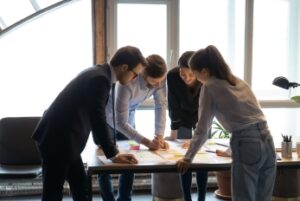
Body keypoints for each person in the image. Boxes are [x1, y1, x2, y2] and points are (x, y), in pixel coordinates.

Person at [32, 46, 147, 201]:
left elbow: (96, 115)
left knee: (81, 187)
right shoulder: (100, 79)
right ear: (124, 67)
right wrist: (113, 154)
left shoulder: (101, 74)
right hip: (57, 141)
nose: (135, 79)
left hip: (66, 141)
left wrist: (110, 147)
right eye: (135, 74)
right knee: (53, 194)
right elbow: (98, 118)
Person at [177, 45, 276, 201]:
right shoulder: (238, 81)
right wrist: (230, 150)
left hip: (247, 144)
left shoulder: (209, 87)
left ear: (204, 71)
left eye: (194, 74)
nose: (195, 78)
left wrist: (187, 158)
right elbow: (250, 119)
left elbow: (202, 128)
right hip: (268, 141)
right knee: (263, 198)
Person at [95, 54, 169, 201]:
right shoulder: (127, 82)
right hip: (107, 116)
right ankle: (108, 198)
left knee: (131, 158)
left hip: (129, 115)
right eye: (154, 82)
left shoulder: (160, 80)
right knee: (105, 159)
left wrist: (159, 136)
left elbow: (161, 105)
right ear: (143, 74)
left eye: (160, 82)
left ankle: (124, 198)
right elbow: (120, 122)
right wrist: (147, 142)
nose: (158, 85)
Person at [166, 51, 208, 201]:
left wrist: (199, 135)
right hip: (182, 117)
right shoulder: (172, 76)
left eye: (191, 75)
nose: (187, 78)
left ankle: (202, 197)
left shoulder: (204, 77)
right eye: (183, 74)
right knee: (184, 157)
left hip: (201, 115)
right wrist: (173, 135)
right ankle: (187, 197)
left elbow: (206, 107)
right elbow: (173, 105)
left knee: (201, 158)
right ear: (178, 70)